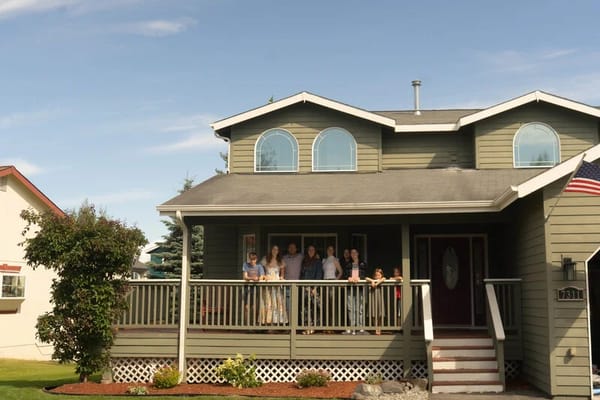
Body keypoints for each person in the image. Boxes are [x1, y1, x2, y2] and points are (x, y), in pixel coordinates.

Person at [260, 245, 288, 327]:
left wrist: (281, 279)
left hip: (276, 285)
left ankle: (276, 324)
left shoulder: (281, 261)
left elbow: (282, 275)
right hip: (268, 284)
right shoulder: (266, 259)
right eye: (273, 249)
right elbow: (261, 271)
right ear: (271, 250)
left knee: (277, 304)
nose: (275, 251)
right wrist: (264, 276)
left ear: (278, 251)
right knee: (268, 303)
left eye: (276, 249)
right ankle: (268, 324)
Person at [343, 248, 368, 335]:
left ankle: (360, 327)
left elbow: (365, 275)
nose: (353, 254)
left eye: (354, 252)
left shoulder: (362, 264)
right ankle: (352, 326)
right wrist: (348, 278)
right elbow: (345, 275)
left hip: (360, 288)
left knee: (360, 308)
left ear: (358, 253)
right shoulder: (348, 264)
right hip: (350, 288)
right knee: (350, 308)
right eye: (351, 253)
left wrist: (360, 278)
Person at [300, 245, 323, 334]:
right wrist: (305, 287)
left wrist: (315, 288)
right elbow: (302, 275)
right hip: (305, 288)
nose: (311, 251)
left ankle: (314, 327)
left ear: (315, 251)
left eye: (312, 250)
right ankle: (306, 327)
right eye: (309, 250)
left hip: (314, 289)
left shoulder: (318, 262)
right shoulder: (304, 261)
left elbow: (319, 275)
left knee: (315, 307)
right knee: (305, 308)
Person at [322, 245, 342, 331]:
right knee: (326, 305)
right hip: (325, 282)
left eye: (331, 249)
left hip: (332, 282)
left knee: (332, 304)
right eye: (328, 249)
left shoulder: (335, 260)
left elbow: (341, 272)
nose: (330, 251)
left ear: (333, 251)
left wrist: (335, 280)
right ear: (327, 251)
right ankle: (326, 326)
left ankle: (333, 325)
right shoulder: (324, 260)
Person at [242, 252, 265, 325]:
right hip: (247, 288)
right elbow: (245, 277)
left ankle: (254, 324)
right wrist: (253, 278)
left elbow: (261, 277)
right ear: (249, 259)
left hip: (256, 288)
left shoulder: (259, 266)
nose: (252, 261)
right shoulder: (246, 265)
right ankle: (247, 326)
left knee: (255, 307)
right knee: (246, 307)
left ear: (256, 259)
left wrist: (258, 278)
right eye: (251, 259)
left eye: (254, 259)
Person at [283, 242, 303, 319]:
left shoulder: (300, 257)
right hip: (287, 285)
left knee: (297, 305)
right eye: (290, 247)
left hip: (298, 285)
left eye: (293, 247)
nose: (292, 249)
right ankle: (289, 324)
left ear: (296, 249)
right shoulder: (284, 258)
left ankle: (297, 323)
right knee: (288, 305)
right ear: (288, 249)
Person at [366, 268, 386, 335]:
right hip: (373, 297)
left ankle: (379, 329)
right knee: (373, 313)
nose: (377, 276)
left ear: (381, 275)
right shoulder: (373, 280)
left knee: (380, 313)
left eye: (379, 275)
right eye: (376, 275)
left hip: (379, 298)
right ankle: (375, 328)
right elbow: (366, 278)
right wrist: (372, 281)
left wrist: (377, 283)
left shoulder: (381, 280)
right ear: (374, 276)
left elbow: (384, 279)